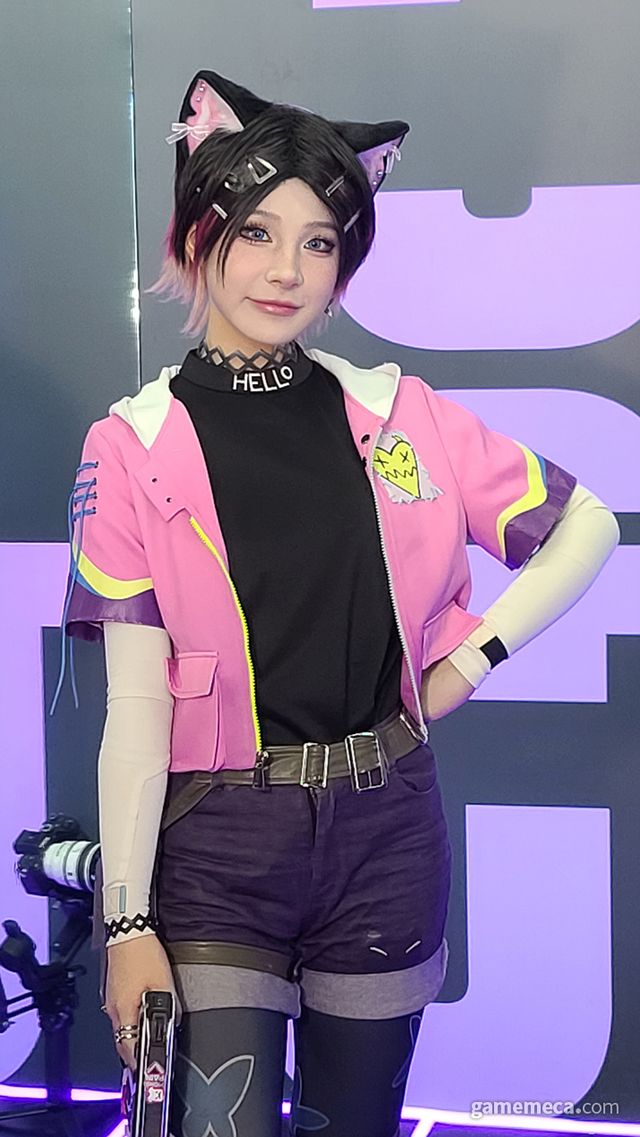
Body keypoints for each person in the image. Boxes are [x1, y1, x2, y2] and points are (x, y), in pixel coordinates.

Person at [49, 69, 620, 1137]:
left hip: (384, 837)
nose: (286, 270)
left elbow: (585, 522)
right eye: (257, 232)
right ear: (199, 231)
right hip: (218, 844)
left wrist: (471, 660)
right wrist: (126, 923)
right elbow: (135, 709)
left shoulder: (401, 415)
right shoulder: (130, 446)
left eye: (320, 242)